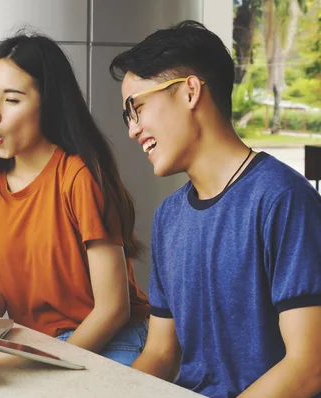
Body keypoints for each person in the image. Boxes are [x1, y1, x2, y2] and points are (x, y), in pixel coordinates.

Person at [109, 20, 321, 397]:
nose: (133, 129)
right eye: (129, 116)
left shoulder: (284, 200)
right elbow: (159, 353)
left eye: (137, 108)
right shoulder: (169, 217)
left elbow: (309, 365)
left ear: (190, 91)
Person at [0, 33, 150, 366]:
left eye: (12, 99)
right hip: (38, 343)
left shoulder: (78, 177)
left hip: (107, 338)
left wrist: (45, 363)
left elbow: (113, 309)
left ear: (47, 104)